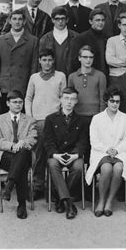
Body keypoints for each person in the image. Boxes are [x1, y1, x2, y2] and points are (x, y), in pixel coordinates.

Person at [25, 49, 66, 200]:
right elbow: (28, 98)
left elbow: (64, 97)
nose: (47, 63)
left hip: (55, 120)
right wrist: (30, 117)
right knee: (39, 154)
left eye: (50, 60)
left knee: (55, 153)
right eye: (44, 60)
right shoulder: (34, 77)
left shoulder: (60, 76)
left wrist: (61, 117)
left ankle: (55, 188)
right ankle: (37, 186)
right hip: (38, 121)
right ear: (39, 61)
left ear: (53, 60)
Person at [43, 87, 89, 219]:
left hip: (73, 155)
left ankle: (59, 197)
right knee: (52, 164)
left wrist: (75, 155)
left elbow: (83, 142)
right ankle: (69, 203)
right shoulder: (51, 119)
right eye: (66, 98)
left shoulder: (82, 120)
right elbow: (48, 141)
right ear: (61, 100)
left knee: (79, 167)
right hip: (57, 155)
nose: (69, 102)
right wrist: (56, 155)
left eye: (73, 99)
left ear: (76, 101)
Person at [0, 90, 37, 219]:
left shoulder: (30, 120)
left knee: (22, 154)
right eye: (14, 102)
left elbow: (32, 138)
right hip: (4, 156)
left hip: (24, 155)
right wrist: (13, 146)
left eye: (20, 102)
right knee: (21, 165)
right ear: (7, 103)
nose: (18, 105)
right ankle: (21, 204)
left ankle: (9, 185)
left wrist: (22, 143)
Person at [86, 87, 126, 217]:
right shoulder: (97, 118)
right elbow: (94, 140)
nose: (115, 104)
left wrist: (117, 150)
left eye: (117, 101)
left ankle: (110, 201)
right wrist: (107, 149)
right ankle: (101, 200)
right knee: (106, 169)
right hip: (101, 152)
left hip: (120, 152)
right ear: (106, 101)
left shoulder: (125, 118)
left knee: (118, 168)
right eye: (112, 101)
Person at [0, 9, 39, 113]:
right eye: (14, 19)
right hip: (5, 86)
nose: (17, 22)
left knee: (22, 121)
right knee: (6, 120)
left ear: (24, 22)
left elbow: (34, 66)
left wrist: (33, 86)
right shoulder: (0, 40)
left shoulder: (33, 41)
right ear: (9, 21)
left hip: (24, 86)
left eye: (20, 19)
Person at [67, 45, 106, 125]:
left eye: (91, 57)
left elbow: (103, 98)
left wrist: (101, 117)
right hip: (77, 115)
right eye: (85, 57)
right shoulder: (72, 77)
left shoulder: (100, 76)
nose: (88, 60)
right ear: (79, 58)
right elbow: (69, 98)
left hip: (95, 116)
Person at [39, 6, 78, 76]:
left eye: (63, 18)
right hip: (51, 78)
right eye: (57, 19)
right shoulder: (44, 39)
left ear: (67, 20)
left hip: (71, 76)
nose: (60, 21)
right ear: (52, 20)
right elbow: (40, 62)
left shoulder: (76, 37)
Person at [69, 9, 108, 76]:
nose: (101, 23)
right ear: (90, 21)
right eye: (97, 20)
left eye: (103, 20)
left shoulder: (107, 38)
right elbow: (74, 61)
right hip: (87, 77)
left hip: (104, 78)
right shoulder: (80, 38)